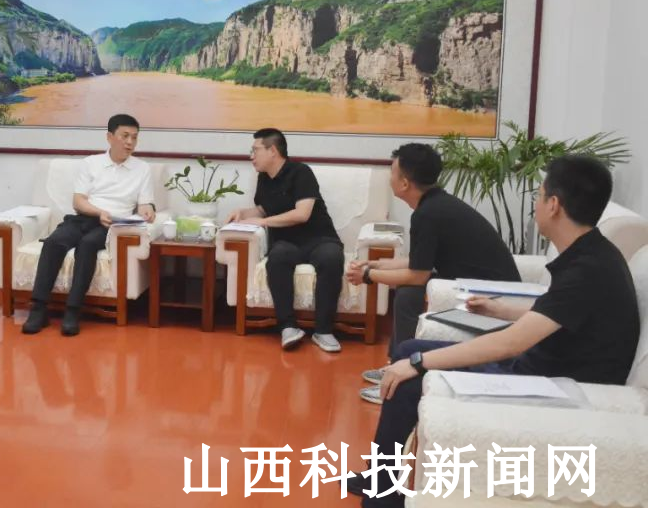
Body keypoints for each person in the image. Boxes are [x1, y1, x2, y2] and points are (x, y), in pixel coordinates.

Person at [346, 155, 640, 507]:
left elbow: (510, 343)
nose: (535, 204)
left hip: (553, 385)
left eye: (538, 195)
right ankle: (380, 477)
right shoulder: (593, 255)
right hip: (544, 364)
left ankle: (381, 498)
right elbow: (558, 313)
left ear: (554, 205)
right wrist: (500, 309)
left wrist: (420, 363)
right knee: (409, 348)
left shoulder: (587, 270)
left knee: (409, 376)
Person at [346, 143, 519, 403]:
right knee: (408, 292)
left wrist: (368, 276)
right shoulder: (435, 205)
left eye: (392, 172)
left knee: (408, 294)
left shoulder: (428, 214)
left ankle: (399, 380)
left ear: (405, 183)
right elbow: (419, 262)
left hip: (491, 296)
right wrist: (376, 265)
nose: (389, 178)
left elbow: (417, 276)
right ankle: (395, 365)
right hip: (472, 285)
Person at [22, 114, 155, 337]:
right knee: (54, 242)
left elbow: (144, 204)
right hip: (84, 217)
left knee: (88, 245)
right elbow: (78, 201)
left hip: (112, 225)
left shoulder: (142, 169)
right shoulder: (91, 163)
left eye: (134, 137)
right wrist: (99, 212)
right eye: (125, 136)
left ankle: (73, 310)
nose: (130, 142)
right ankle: (38, 309)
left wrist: (148, 209)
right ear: (109, 137)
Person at [227, 128, 346, 352]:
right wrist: (243, 213)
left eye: (255, 150)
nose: (251, 156)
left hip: (319, 237)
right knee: (278, 258)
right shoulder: (264, 178)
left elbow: (302, 213)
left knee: (331, 257)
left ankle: (323, 330)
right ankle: (288, 327)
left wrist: (263, 222)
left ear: (272, 150)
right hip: (286, 242)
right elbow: (263, 209)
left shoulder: (301, 172)